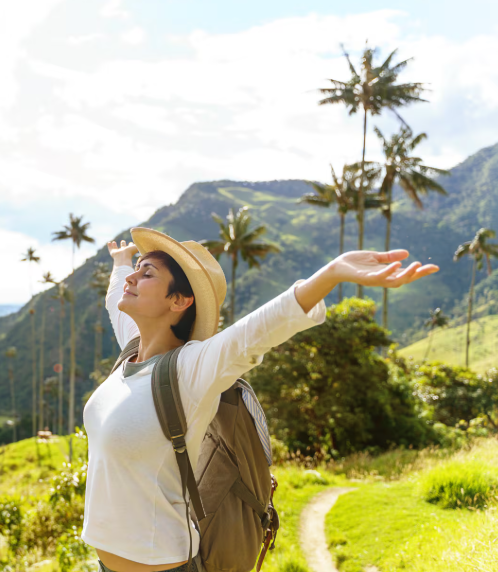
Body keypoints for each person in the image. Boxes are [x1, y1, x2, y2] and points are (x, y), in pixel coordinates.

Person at [81, 227, 439, 572]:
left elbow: (255, 333)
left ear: (179, 300)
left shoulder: (190, 369)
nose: (132, 279)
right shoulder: (131, 353)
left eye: (146, 273)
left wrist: (331, 274)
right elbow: (116, 298)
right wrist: (121, 261)